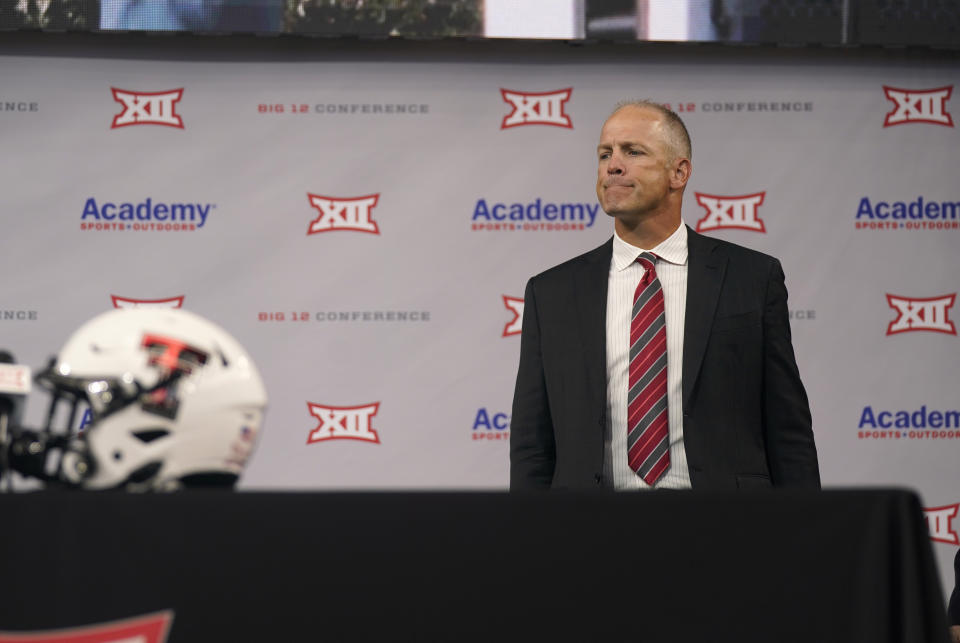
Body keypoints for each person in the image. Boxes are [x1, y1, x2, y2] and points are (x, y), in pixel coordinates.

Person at [509, 100, 820, 491]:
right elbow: (532, 443)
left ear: (680, 171)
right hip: (590, 532)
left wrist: (807, 536)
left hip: (726, 527)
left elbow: (787, 427)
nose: (613, 165)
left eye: (632, 151)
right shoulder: (551, 293)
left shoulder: (752, 278)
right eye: (605, 153)